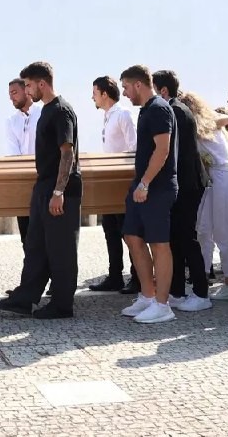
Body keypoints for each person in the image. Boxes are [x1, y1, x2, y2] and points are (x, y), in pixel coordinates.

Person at [0, 62, 82, 319]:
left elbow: (67, 153)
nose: (27, 90)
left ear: (42, 83)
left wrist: (58, 192)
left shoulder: (61, 111)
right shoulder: (46, 110)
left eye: (29, 85)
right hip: (44, 185)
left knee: (60, 248)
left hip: (59, 189)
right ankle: (25, 298)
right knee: (36, 245)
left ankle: (62, 305)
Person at [111, 64, 177, 323]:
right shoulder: (146, 110)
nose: (124, 93)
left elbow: (163, 149)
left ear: (138, 84)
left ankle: (162, 305)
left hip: (157, 187)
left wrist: (146, 183)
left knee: (159, 243)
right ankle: (148, 296)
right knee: (132, 235)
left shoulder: (159, 108)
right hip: (142, 185)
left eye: (126, 87)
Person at [154, 70, 209, 311]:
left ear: (163, 90)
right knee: (176, 239)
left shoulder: (175, 111)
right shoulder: (177, 108)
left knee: (186, 238)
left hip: (187, 184)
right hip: (185, 183)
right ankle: (176, 291)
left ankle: (201, 293)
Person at [185, 91, 228, 300]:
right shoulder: (203, 127)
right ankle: (202, 277)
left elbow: (226, 118)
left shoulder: (203, 127)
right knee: (203, 230)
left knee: (223, 230)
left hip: (223, 176)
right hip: (210, 178)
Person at [89, 75, 136, 293]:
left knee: (128, 231)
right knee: (110, 230)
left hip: (123, 183)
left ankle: (138, 276)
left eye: (94, 93)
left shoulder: (123, 114)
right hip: (110, 184)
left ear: (104, 94)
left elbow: (134, 147)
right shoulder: (108, 117)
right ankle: (115, 275)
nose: (92, 97)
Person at [4, 79, 44, 243]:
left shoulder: (43, 113)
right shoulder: (11, 121)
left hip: (43, 179)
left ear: (26, 91)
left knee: (44, 232)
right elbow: (13, 153)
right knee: (26, 235)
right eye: (10, 94)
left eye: (14, 93)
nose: (11, 98)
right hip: (22, 182)